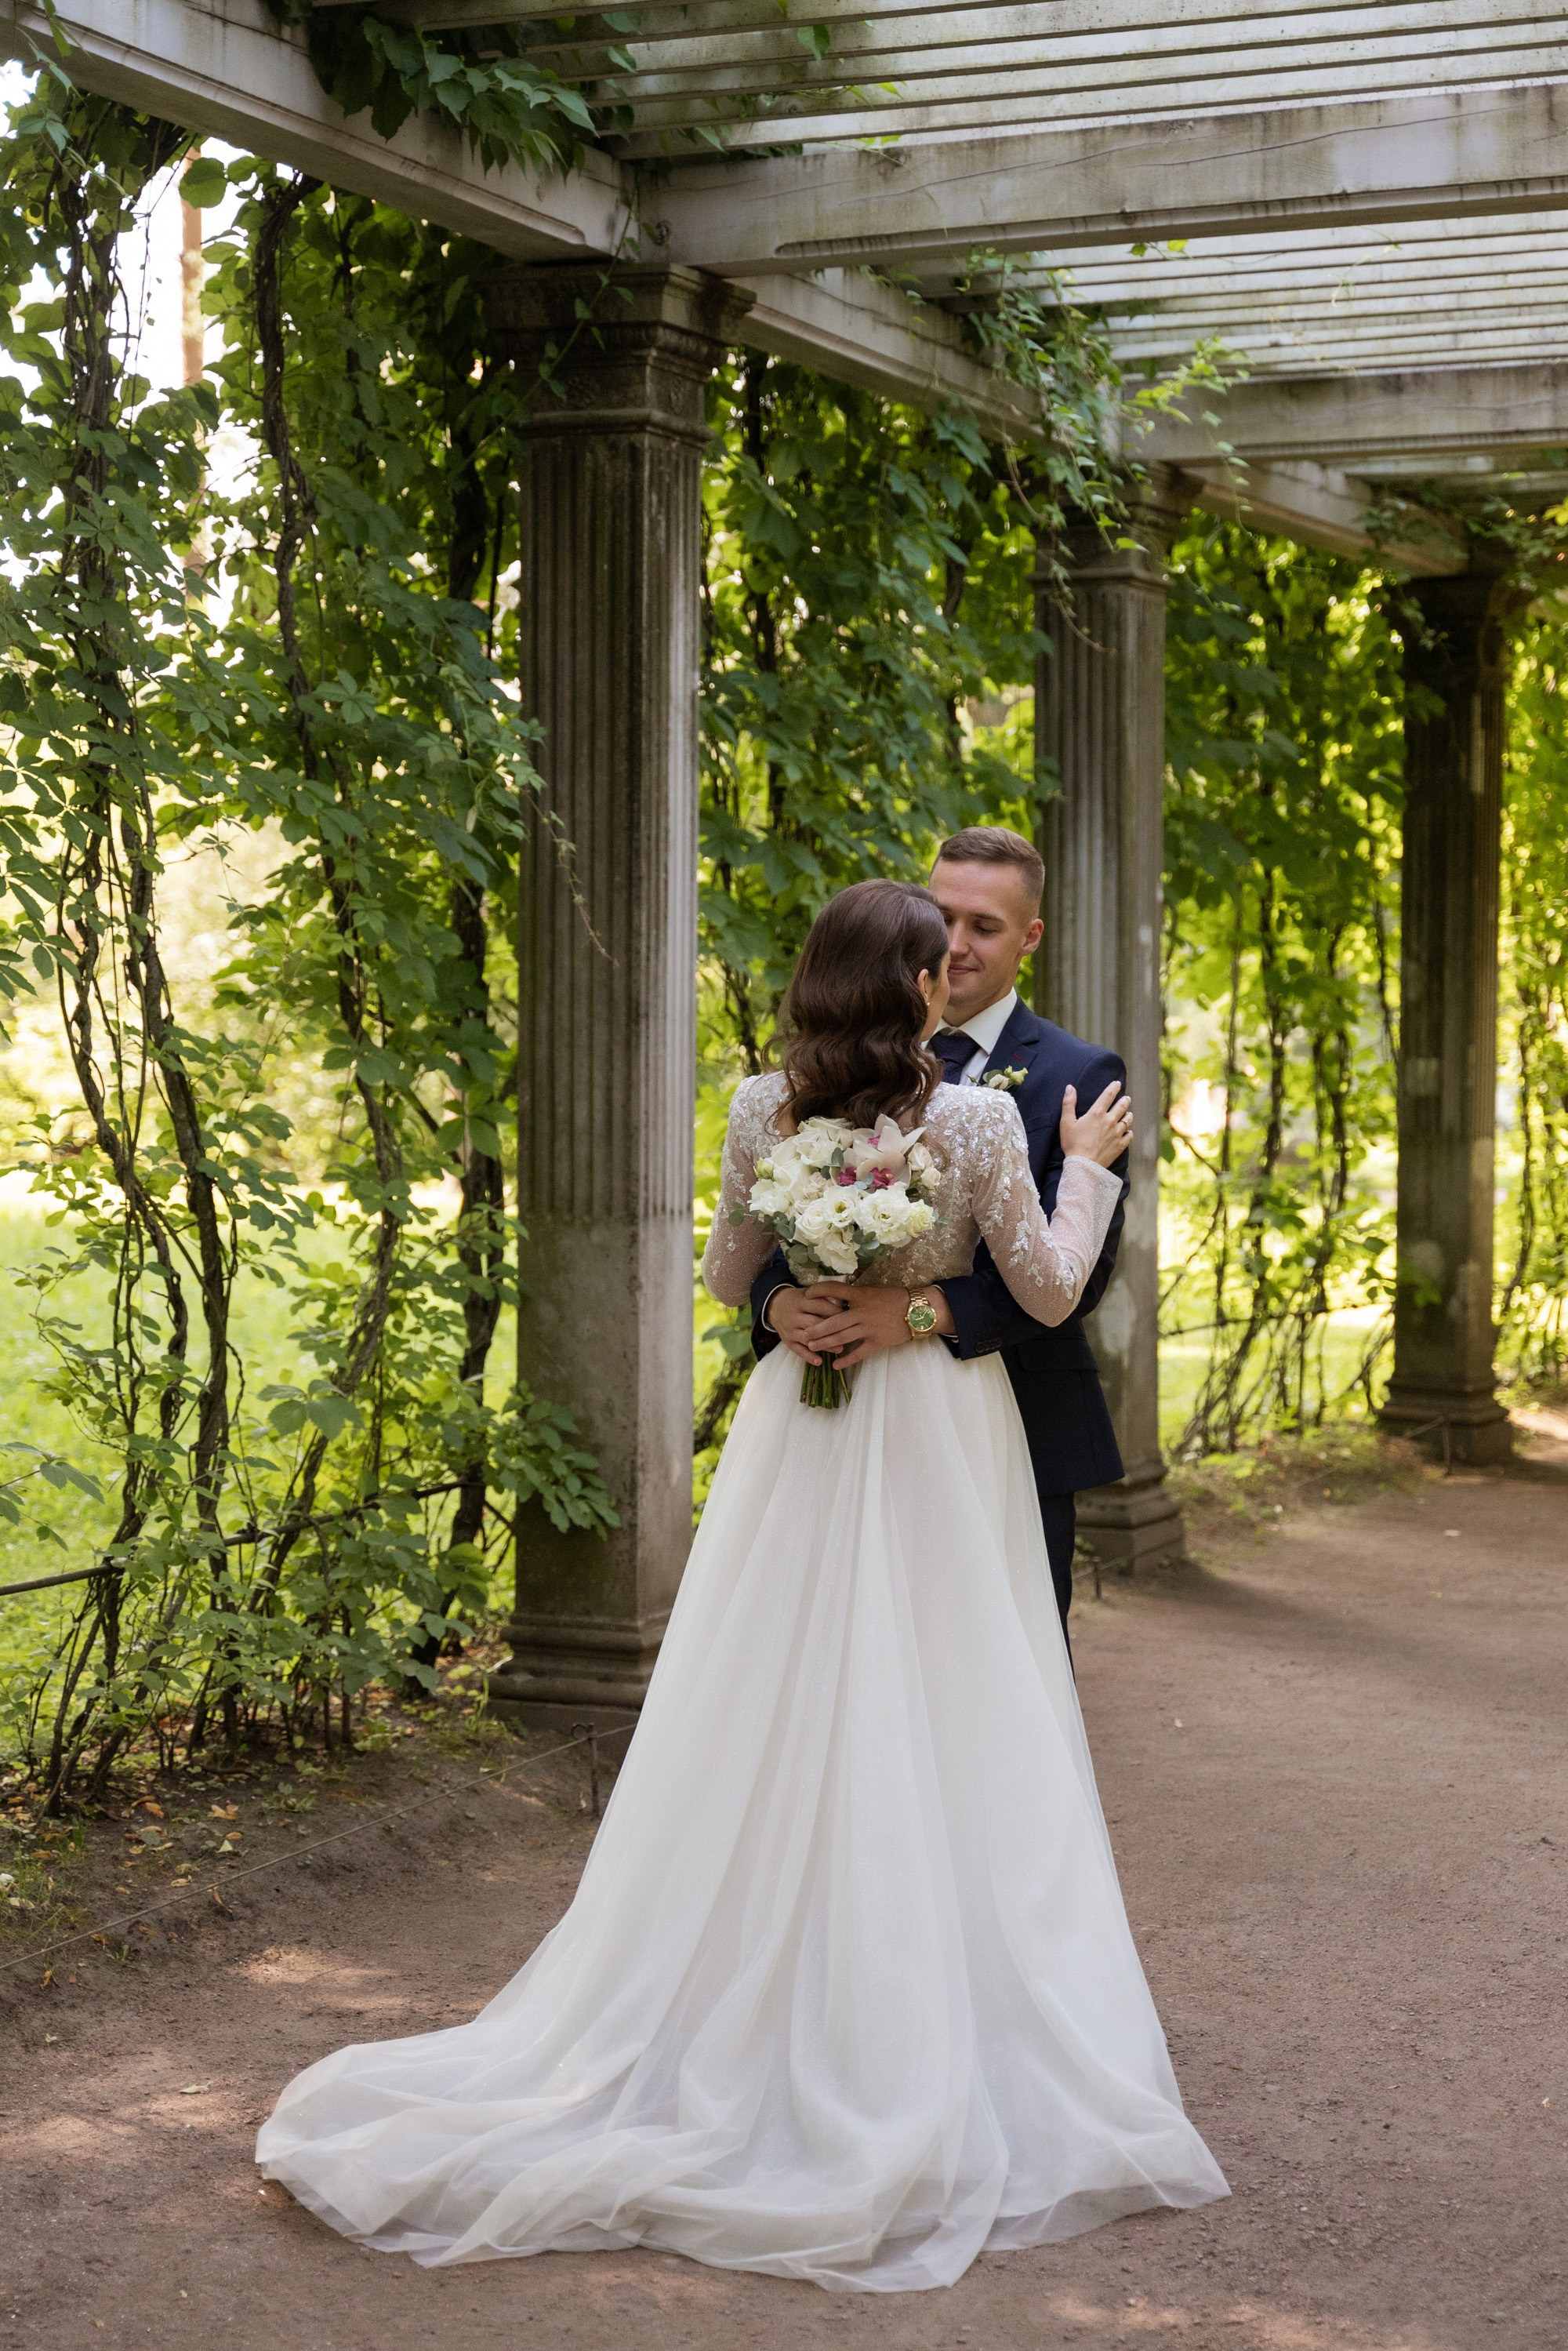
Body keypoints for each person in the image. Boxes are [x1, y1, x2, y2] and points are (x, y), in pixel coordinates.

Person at [256, 879, 1227, 2292]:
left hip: (801, 1430)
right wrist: (1080, 1164)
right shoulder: (970, 1121)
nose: (949, 975)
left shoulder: (759, 1106)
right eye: (930, 962)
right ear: (908, 989)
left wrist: (791, 1305)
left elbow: (727, 1273)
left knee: (769, 1690)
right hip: (935, 1441)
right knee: (952, 1696)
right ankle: (916, 2007)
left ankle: (734, 1986)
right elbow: (1055, 1285)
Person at [755, 827, 1126, 1641]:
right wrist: (777, 1301)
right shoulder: (811, 1073)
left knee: (996, 1662)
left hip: (1011, 1416)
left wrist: (922, 1312)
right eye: (940, 916)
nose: (955, 944)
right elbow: (766, 1230)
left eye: (983, 927)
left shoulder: (1074, 1074)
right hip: (836, 1407)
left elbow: (1082, 1275)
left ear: (1028, 937)